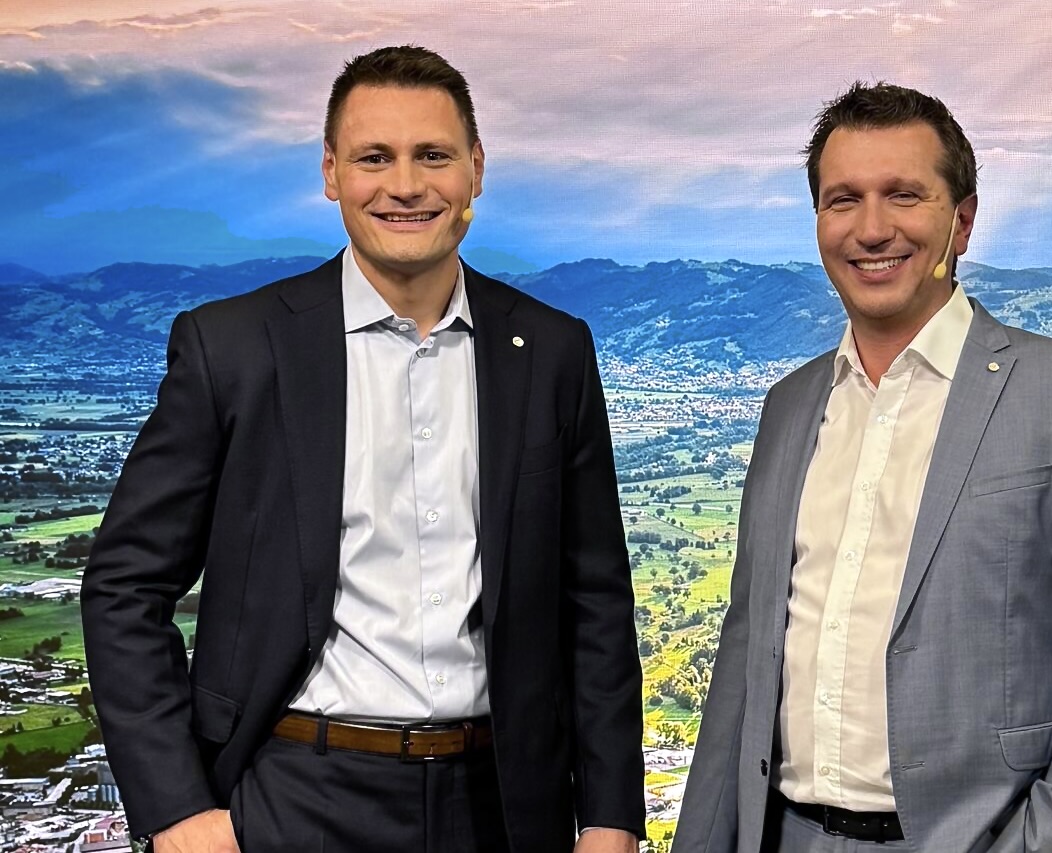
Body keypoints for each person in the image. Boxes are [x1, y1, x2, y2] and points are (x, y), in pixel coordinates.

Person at [81, 45, 643, 853]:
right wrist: (176, 810)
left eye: (433, 156)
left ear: (477, 170)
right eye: (374, 157)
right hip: (292, 798)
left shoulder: (553, 350)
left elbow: (595, 601)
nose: (405, 185)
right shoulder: (232, 347)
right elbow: (124, 586)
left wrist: (613, 817)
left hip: (505, 806)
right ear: (331, 173)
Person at [672, 81, 1052, 853]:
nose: (872, 228)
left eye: (903, 195)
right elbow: (746, 656)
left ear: (962, 221)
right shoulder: (787, 407)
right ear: (819, 222)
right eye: (844, 200)